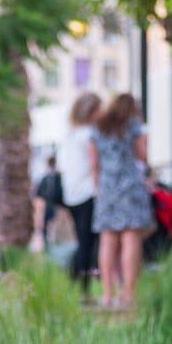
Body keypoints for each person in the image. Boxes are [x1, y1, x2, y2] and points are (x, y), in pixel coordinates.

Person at [90, 93, 153, 310]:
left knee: (107, 242)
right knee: (130, 240)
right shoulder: (133, 126)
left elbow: (94, 165)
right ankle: (127, 293)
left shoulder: (97, 128)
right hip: (130, 187)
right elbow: (142, 156)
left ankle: (107, 294)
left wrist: (100, 189)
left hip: (107, 189)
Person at [58, 93, 102, 294]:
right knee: (87, 242)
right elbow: (95, 165)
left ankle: (78, 281)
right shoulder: (89, 134)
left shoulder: (71, 134)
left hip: (72, 195)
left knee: (82, 239)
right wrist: (99, 189)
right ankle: (82, 284)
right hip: (87, 194)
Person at [34, 155, 63, 247]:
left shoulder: (59, 177)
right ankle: (46, 241)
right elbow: (39, 192)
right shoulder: (45, 178)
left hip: (57, 204)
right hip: (48, 204)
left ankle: (54, 242)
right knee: (46, 223)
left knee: (56, 224)